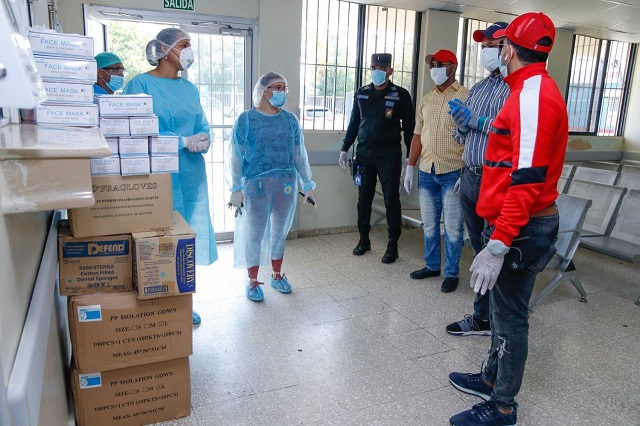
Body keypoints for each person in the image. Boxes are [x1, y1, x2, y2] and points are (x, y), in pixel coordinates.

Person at [448, 12, 567, 426]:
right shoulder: (525, 90)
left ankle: (502, 408)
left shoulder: (534, 94)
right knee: (501, 312)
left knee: (511, 317)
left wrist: (498, 243)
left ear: (510, 48)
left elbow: (528, 178)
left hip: (521, 226)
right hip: (512, 221)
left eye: (499, 46)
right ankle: (489, 379)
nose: (495, 51)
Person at [123, 28, 217, 325]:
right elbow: (135, 131)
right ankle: (154, 300)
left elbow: (202, 123)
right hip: (156, 176)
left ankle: (181, 302)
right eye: (184, 45)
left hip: (190, 175)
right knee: (157, 239)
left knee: (184, 242)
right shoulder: (139, 83)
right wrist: (181, 141)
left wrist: (203, 137)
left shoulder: (190, 89)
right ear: (164, 49)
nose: (190, 51)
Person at [444, 22, 511, 336]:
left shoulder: (516, 89)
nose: (485, 50)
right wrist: (461, 124)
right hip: (470, 176)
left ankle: (493, 319)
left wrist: (477, 121)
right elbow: (462, 138)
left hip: (496, 180)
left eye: (491, 44)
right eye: (482, 44)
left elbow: (510, 131)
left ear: (507, 48)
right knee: (478, 247)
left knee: (493, 249)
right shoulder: (480, 88)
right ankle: (483, 317)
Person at [228, 71, 317, 303]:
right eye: (277, 87)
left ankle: (277, 275)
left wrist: (307, 184)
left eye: (284, 88)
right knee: (254, 234)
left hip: (285, 185)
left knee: (279, 232)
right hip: (255, 186)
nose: (281, 92)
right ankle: (253, 280)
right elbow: (235, 157)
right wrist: (235, 187)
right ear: (264, 91)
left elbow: (300, 156)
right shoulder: (246, 120)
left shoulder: (290, 121)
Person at [339, 53, 415, 264]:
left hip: (388, 156)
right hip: (364, 155)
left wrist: (410, 158)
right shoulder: (361, 93)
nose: (377, 71)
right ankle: (364, 240)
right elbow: (354, 123)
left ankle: (393, 245)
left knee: (391, 200)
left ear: (390, 70)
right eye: (374, 67)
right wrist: (345, 148)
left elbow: (410, 129)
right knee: (364, 199)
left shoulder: (400, 94)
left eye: (382, 68)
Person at [403, 50, 469, 293]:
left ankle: (451, 272)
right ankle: (432, 265)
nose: (436, 68)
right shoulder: (426, 99)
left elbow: (471, 136)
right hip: (426, 171)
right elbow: (417, 135)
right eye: (433, 64)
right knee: (430, 224)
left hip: (453, 171)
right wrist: (410, 165)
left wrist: (467, 171)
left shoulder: (466, 96)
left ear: (453, 67)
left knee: (453, 227)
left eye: (441, 64)